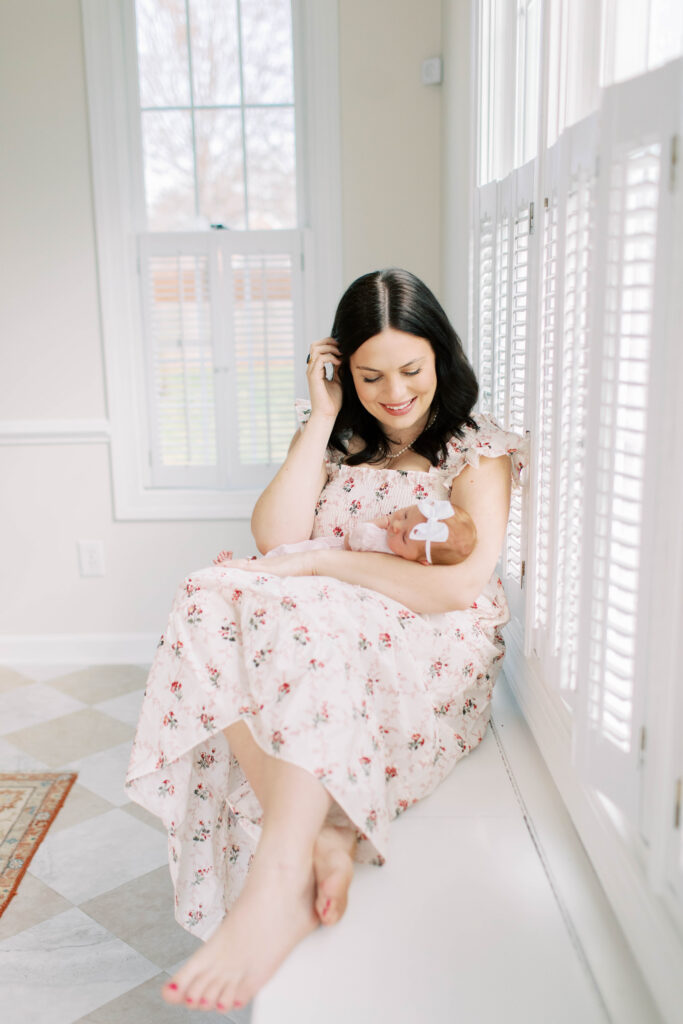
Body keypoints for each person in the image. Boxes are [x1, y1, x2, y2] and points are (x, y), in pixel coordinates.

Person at [125, 268, 528, 1015]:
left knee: (292, 614)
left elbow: (456, 588)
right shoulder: (339, 440)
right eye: (370, 376)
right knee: (208, 593)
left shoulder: (476, 450)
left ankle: (281, 878)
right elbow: (275, 539)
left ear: (442, 356)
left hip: (425, 640)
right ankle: (322, 836)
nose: (394, 394)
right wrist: (320, 417)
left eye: (411, 370)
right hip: (325, 621)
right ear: (343, 368)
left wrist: (323, 561)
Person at [213, 497, 478, 567]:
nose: (396, 525)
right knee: (285, 556)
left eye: (405, 535)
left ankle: (244, 566)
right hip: (326, 555)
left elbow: (354, 538)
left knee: (288, 557)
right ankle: (248, 566)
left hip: (327, 554)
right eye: (405, 515)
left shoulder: (379, 543)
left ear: (422, 561)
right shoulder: (403, 557)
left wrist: (380, 522)